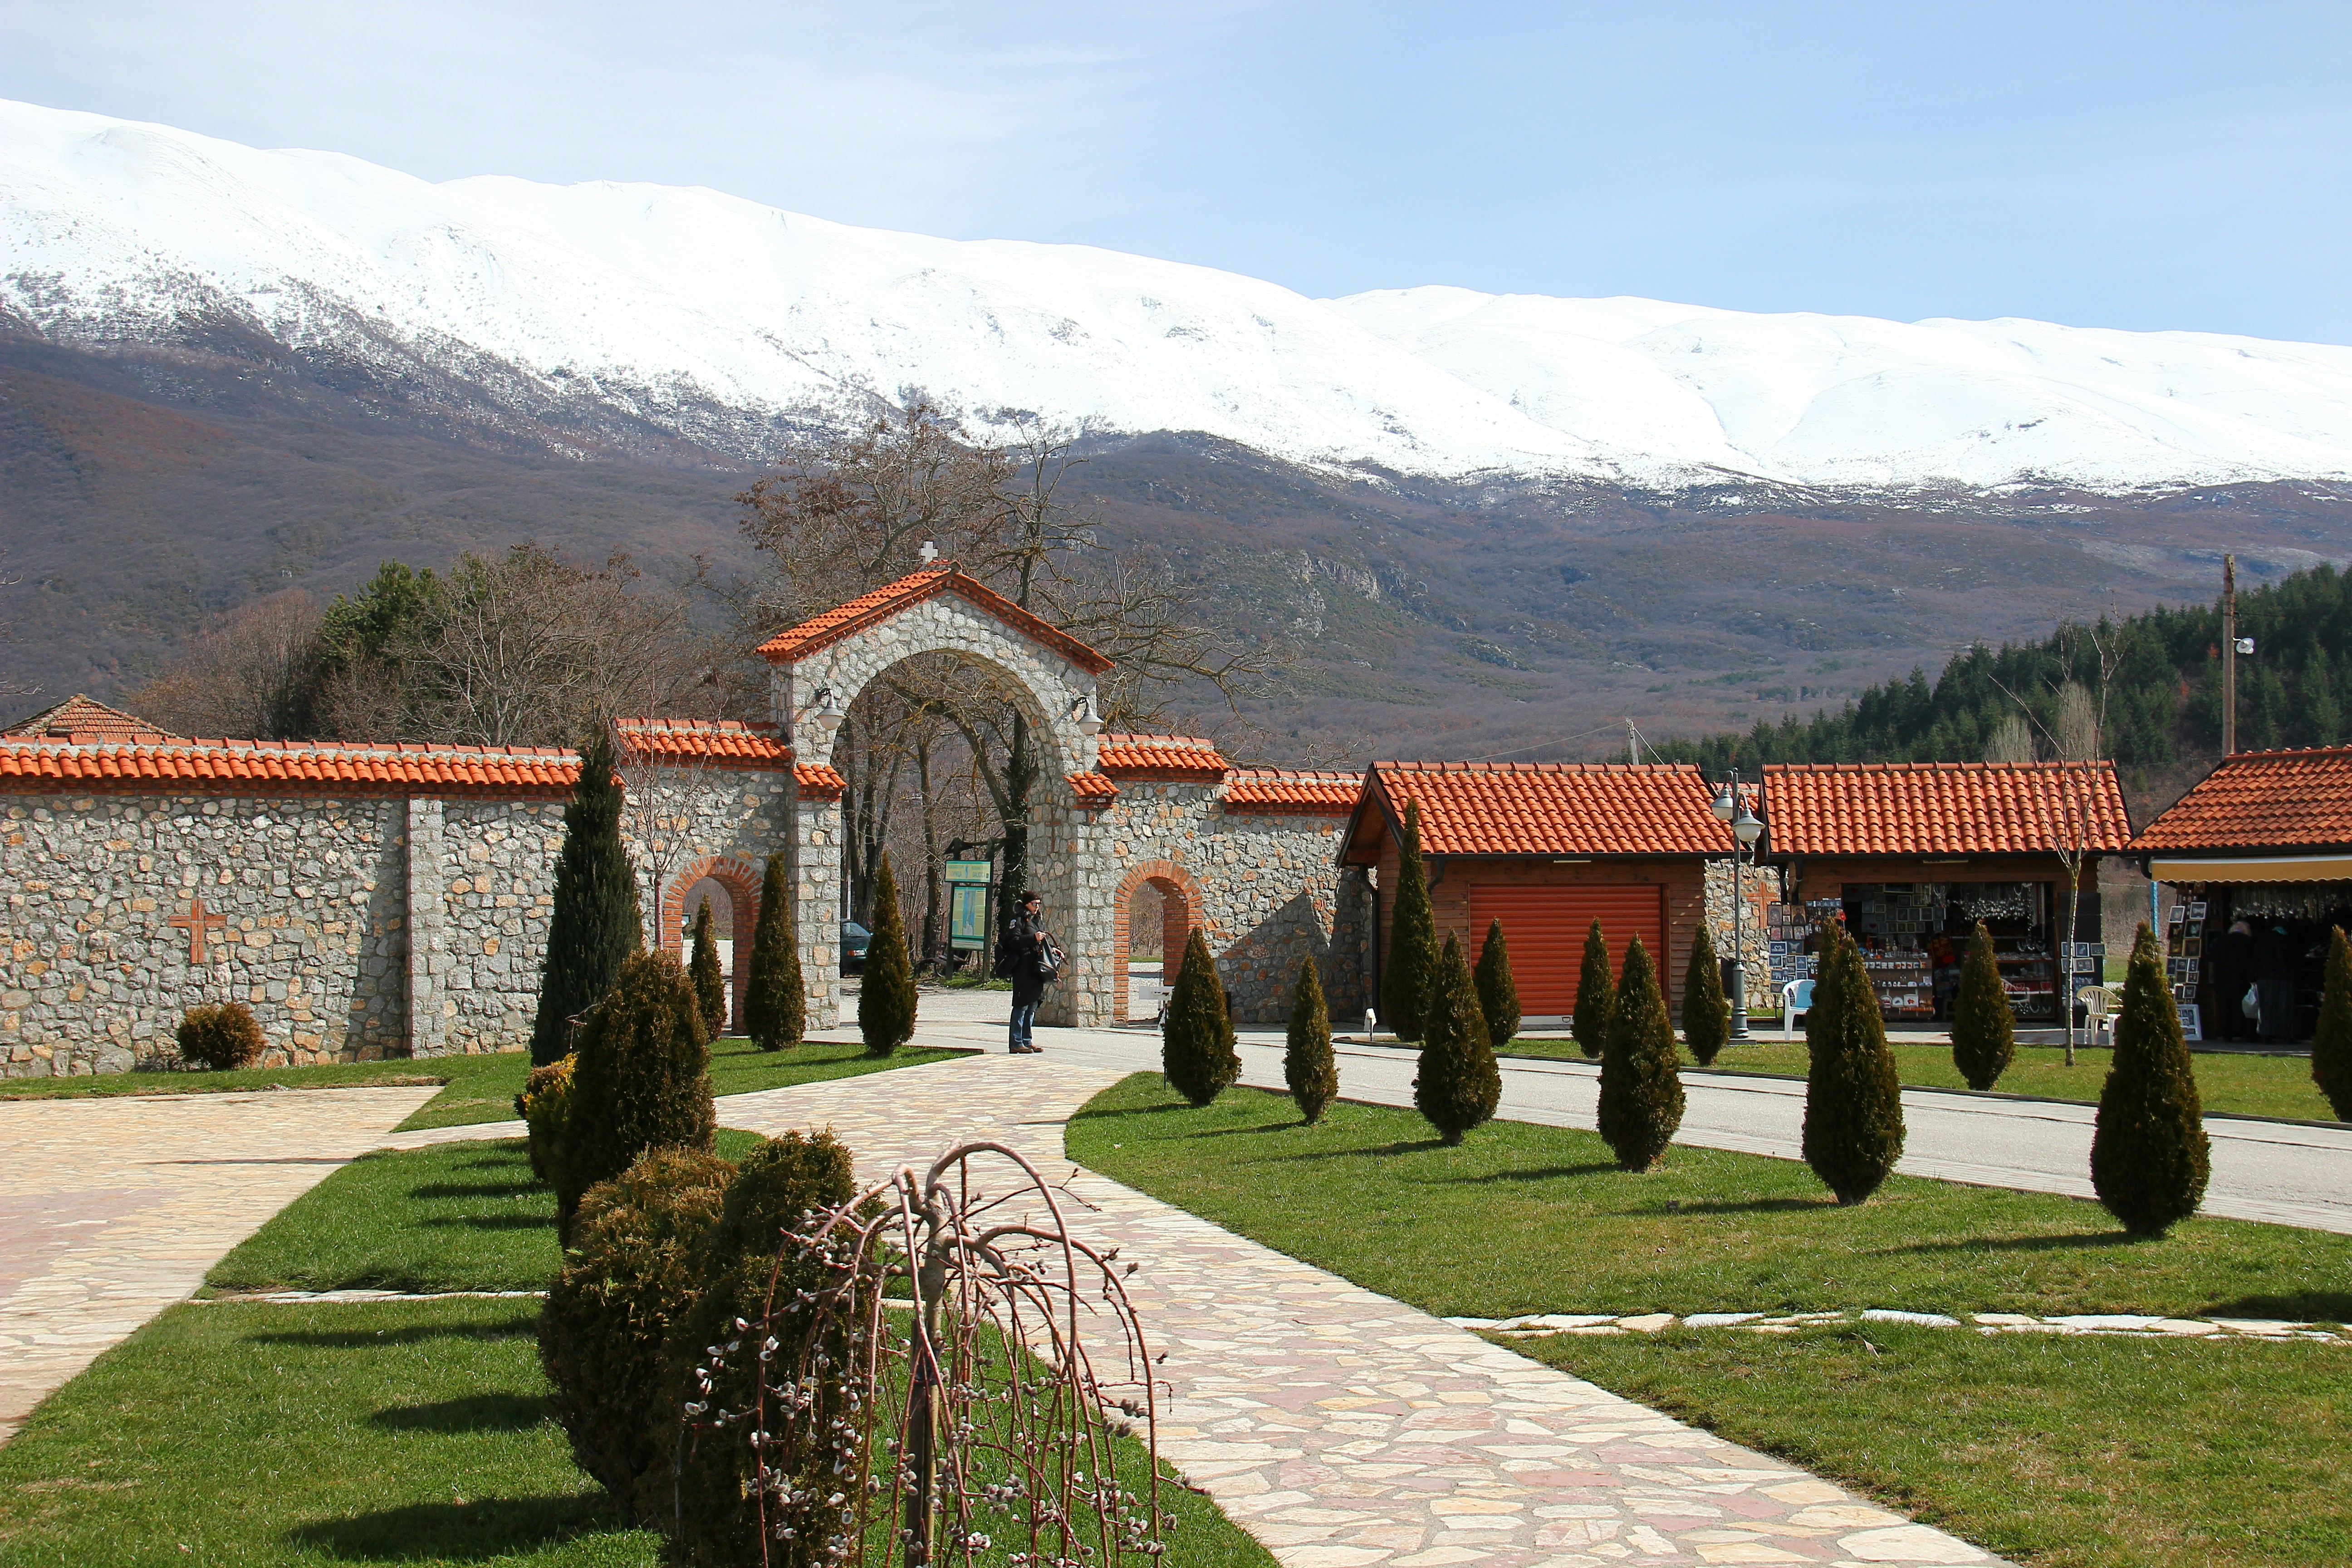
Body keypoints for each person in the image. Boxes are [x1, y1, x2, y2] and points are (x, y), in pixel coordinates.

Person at [1002, 891, 1055, 1054]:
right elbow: (1013, 942)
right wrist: (1033, 938)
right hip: (1022, 969)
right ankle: (1016, 1042)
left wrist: (1054, 951)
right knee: (1021, 1006)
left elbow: (1042, 943)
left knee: (1032, 1006)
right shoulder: (1017, 921)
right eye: (1034, 904)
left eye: (1039, 904)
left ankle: (1027, 1040)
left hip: (1036, 969)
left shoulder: (1036, 920)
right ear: (1026, 904)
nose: (1037, 907)